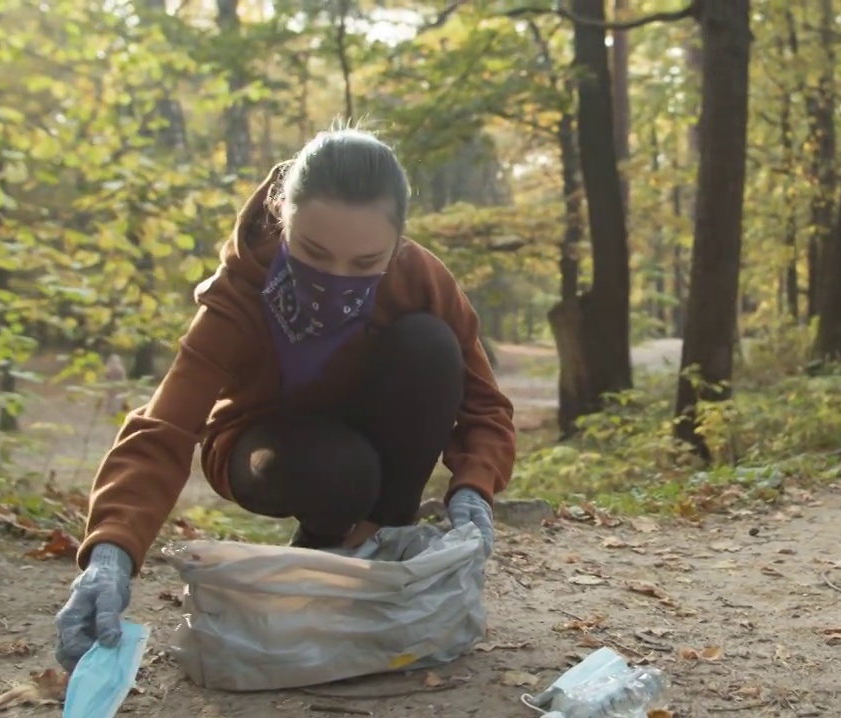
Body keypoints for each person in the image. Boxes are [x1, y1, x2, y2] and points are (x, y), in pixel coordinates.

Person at [53, 128, 516, 671]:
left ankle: (371, 545)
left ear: (398, 244)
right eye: (314, 253)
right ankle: (325, 538)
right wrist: (111, 554)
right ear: (280, 214)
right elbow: (164, 428)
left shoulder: (420, 278)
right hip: (268, 448)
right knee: (342, 468)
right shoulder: (236, 296)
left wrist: (474, 489)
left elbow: (484, 404)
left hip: (375, 430)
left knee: (431, 346)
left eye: (366, 263)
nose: (336, 280)